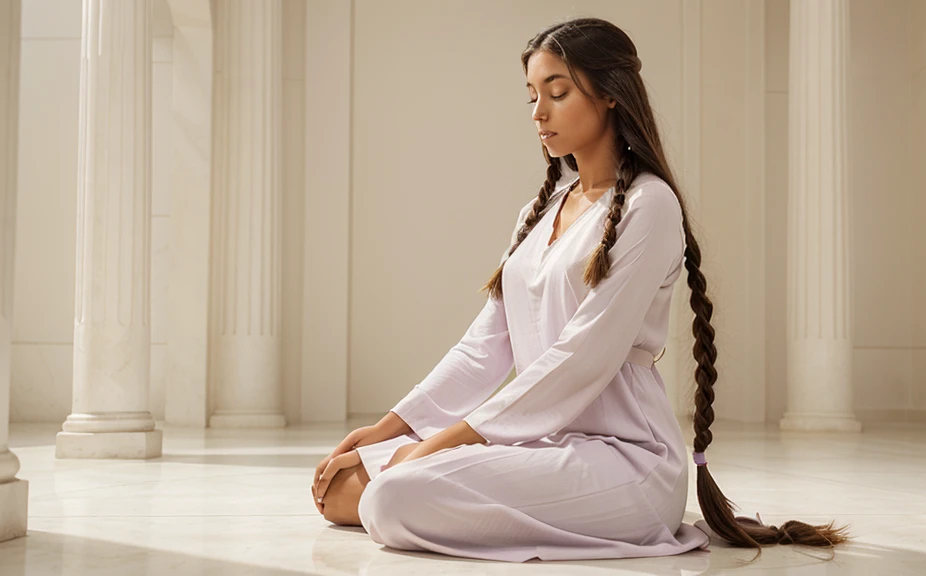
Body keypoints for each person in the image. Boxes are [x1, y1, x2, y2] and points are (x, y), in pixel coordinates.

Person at [310, 16, 849, 563]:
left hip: (624, 460)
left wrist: (438, 446)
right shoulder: (538, 212)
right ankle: (455, 487)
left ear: (610, 95)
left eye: (558, 92)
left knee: (394, 497)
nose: (539, 112)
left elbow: (580, 360)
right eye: (532, 97)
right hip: (540, 447)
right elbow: (483, 346)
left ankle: (563, 507)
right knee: (337, 492)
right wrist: (390, 429)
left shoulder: (650, 205)